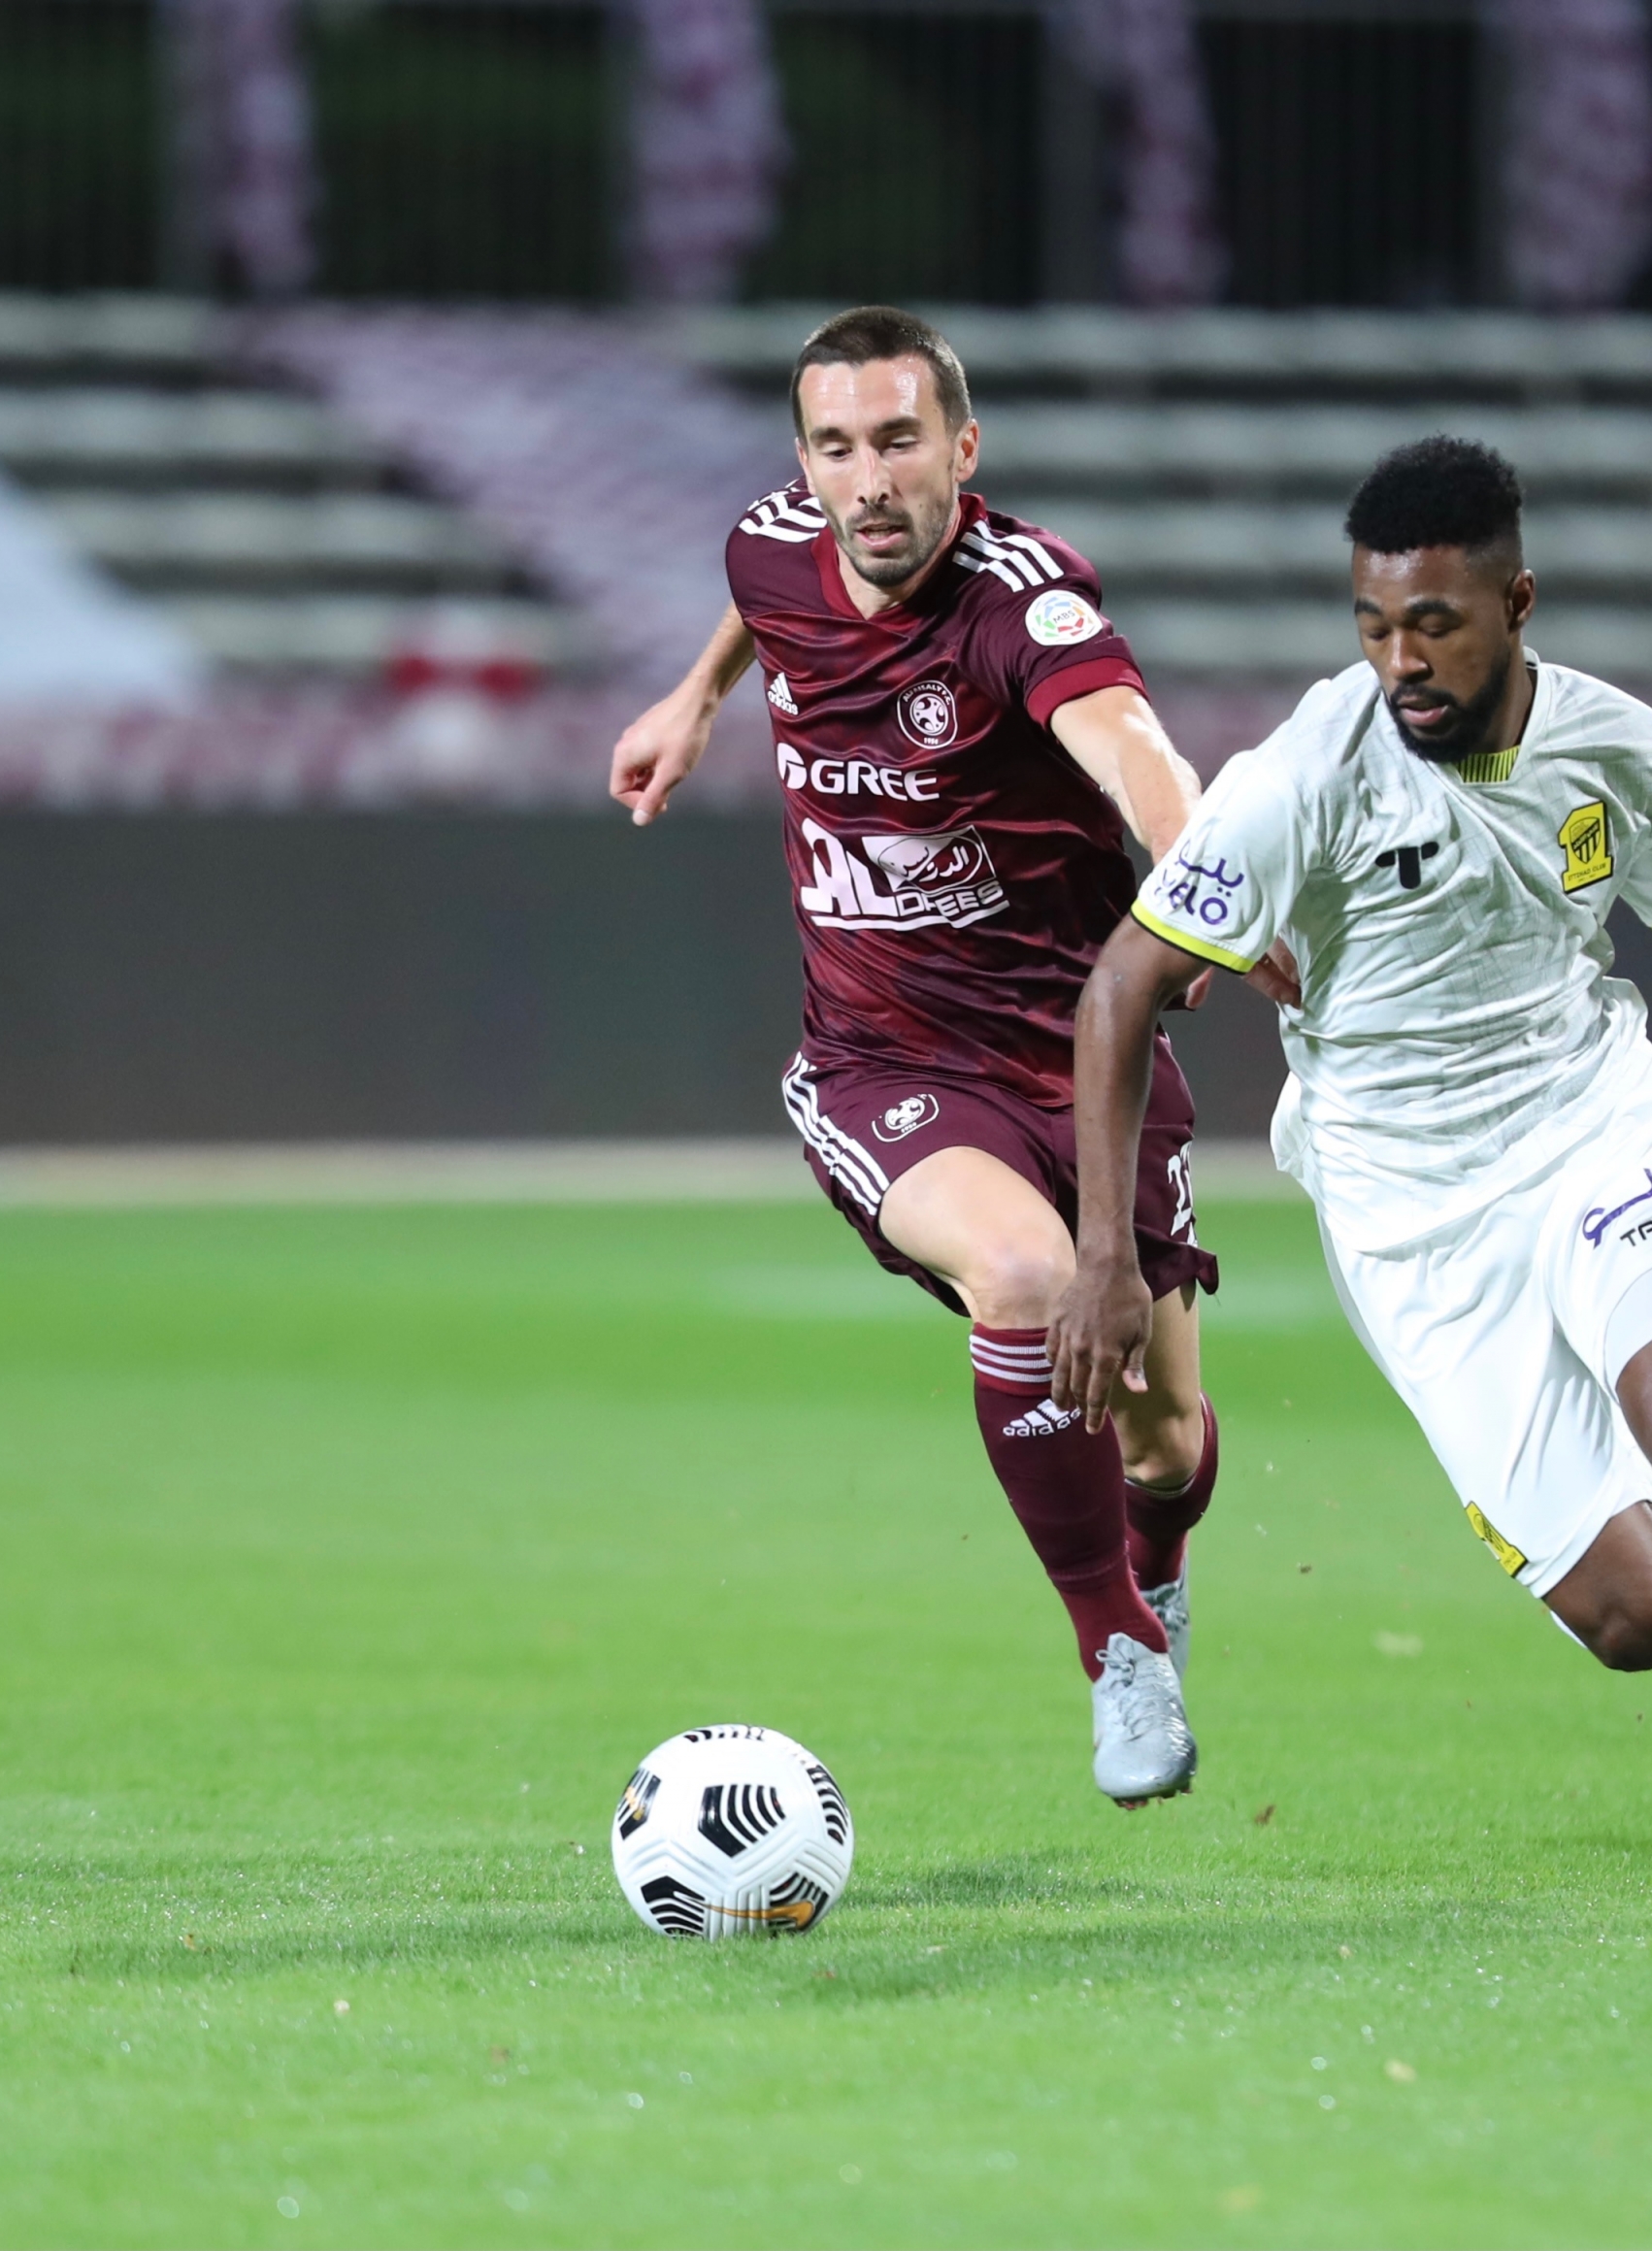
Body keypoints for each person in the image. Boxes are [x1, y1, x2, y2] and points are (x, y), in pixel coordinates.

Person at [1049, 436, 1652, 1918]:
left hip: (1590, 1127)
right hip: (1408, 1215)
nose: (1401, 662)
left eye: (1435, 624)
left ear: (1518, 601)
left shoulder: (1615, 747)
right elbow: (1119, 990)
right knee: (1638, 1622)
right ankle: (1594, 1472)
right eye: (1374, 625)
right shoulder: (1305, 776)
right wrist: (1105, 1257)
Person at [611, 306, 1283, 1806]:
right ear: (804, 465)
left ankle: (1156, 1576)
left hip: (1084, 1059)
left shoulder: (1019, 607)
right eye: (836, 448)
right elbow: (760, 595)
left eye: (900, 442)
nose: (869, 481)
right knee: (1030, 1280)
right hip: (883, 1056)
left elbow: (1137, 755)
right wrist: (697, 697)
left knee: (1162, 1441)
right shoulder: (769, 548)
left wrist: (1204, 887)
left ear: (963, 451)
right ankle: (1115, 1645)